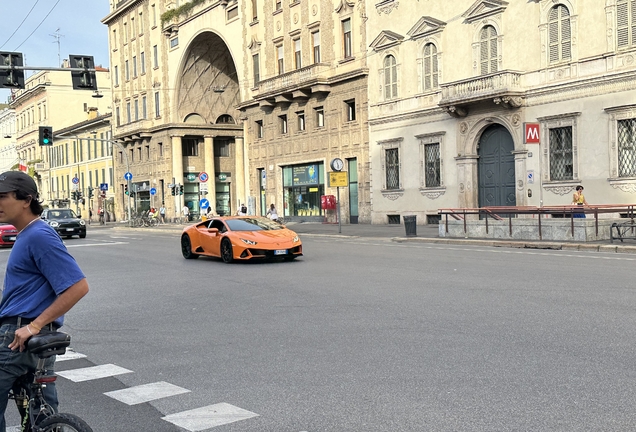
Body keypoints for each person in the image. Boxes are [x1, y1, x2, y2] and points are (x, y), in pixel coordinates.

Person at [0, 171, 89, 431]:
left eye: (3, 197)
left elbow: (78, 286)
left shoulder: (38, 235)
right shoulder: (28, 234)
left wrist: (34, 326)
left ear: (26, 199)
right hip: (29, 335)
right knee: (41, 417)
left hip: (18, 336)